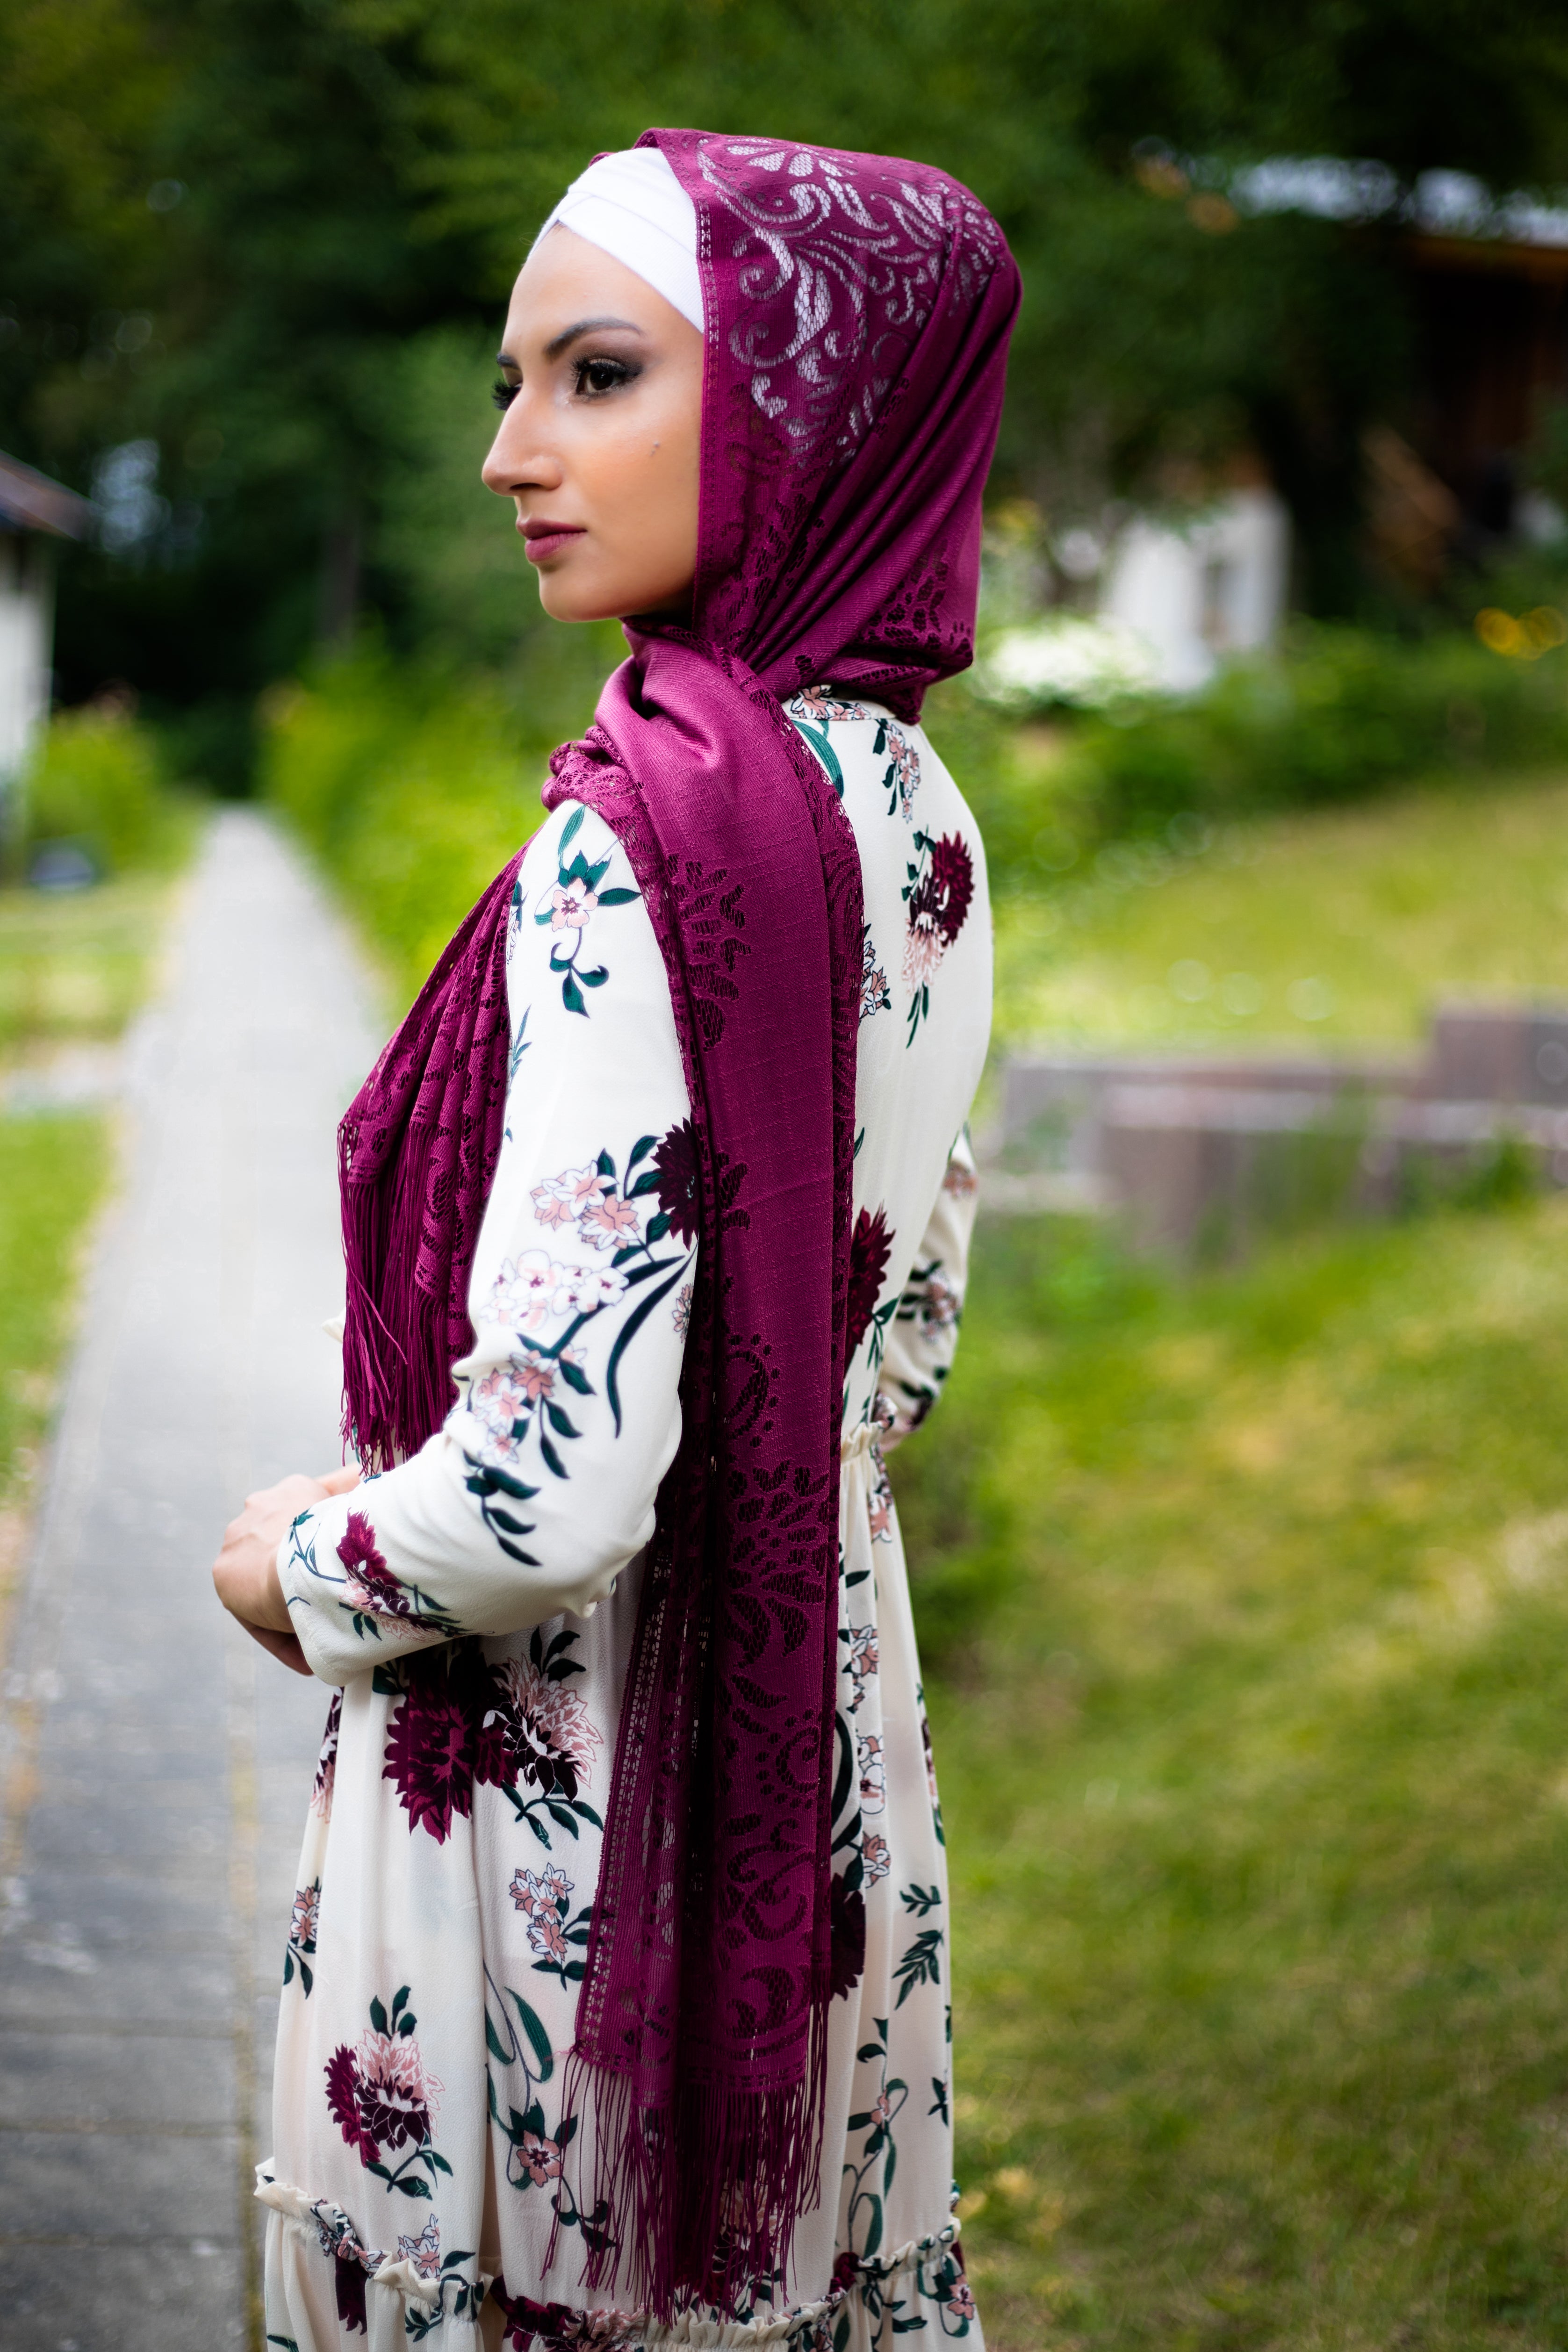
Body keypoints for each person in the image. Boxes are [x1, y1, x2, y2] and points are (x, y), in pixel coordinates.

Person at [213, 128, 1018, 2352]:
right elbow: (899, 1346)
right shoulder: (908, 812)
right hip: (812, 1766)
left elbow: (545, 1495)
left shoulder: (637, 844)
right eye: (510, 383)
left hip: (569, 1808)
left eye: (590, 376)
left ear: (799, 404)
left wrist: (297, 1559)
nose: (506, 455)